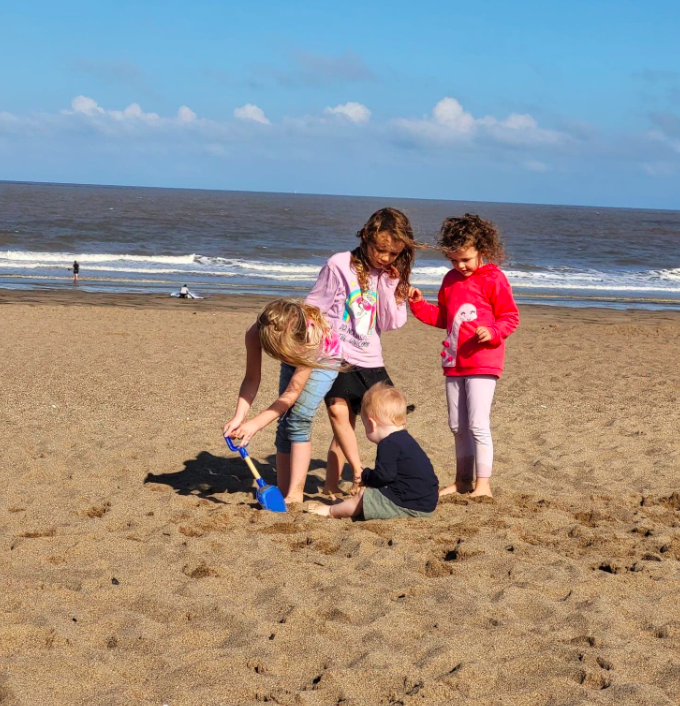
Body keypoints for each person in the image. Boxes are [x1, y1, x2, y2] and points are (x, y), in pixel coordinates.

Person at [305, 207, 415, 498]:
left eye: (392, 254)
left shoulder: (387, 275)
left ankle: (391, 477)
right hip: (337, 355)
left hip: (369, 359)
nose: (384, 258)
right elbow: (314, 305)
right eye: (380, 250)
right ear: (366, 236)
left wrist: (395, 287)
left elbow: (390, 323)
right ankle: (351, 475)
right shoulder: (339, 264)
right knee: (338, 413)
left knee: (388, 423)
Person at [408, 214, 519, 498]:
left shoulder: (494, 278)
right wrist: (420, 304)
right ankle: (462, 481)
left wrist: (493, 332)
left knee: (478, 424)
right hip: (454, 361)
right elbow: (443, 317)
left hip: (484, 361)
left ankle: (483, 485)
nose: (460, 266)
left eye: (466, 260)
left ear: (482, 249)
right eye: (454, 260)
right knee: (457, 426)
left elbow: (510, 317)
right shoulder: (450, 279)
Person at [223, 298, 341, 504]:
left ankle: (295, 494)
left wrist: (256, 424)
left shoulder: (311, 337)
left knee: (298, 419)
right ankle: (284, 489)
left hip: (322, 359)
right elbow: (251, 378)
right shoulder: (255, 332)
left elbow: (291, 394)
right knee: (284, 422)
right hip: (293, 354)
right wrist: (239, 416)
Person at [306, 382, 438, 519]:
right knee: (370, 494)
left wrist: (366, 476)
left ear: (371, 424)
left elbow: (384, 476)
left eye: (364, 425)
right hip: (425, 504)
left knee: (363, 496)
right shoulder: (405, 440)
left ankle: (331, 511)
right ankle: (344, 507)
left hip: (410, 506)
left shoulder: (388, 444)